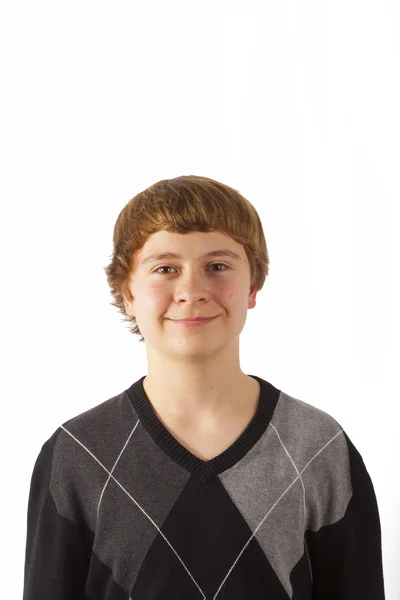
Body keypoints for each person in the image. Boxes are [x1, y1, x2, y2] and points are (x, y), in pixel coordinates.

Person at [22, 175, 386, 599]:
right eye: (165, 269)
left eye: (217, 267)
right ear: (127, 292)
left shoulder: (317, 448)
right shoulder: (78, 454)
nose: (192, 291)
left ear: (252, 286)